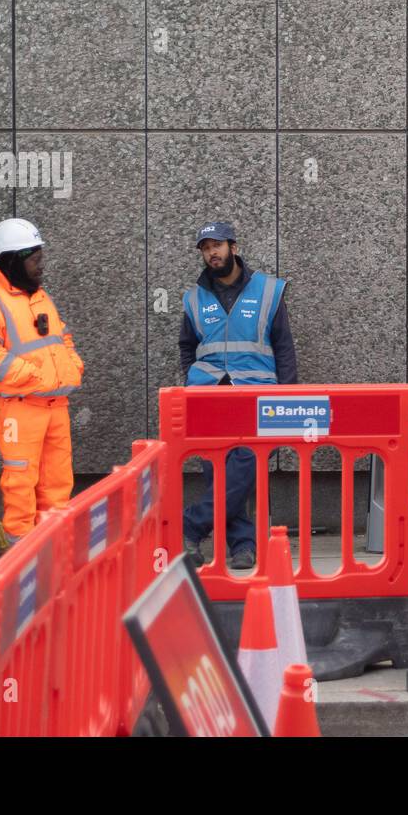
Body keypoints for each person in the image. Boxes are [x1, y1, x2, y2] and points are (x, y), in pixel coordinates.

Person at [179, 221, 297, 570]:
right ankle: (243, 545)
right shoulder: (194, 298)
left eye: (217, 245)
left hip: (257, 394)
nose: (211, 253)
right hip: (208, 395)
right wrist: (191, 380)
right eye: (205, 248)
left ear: (234, 246)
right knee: (217, 472)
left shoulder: (267, 291)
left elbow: (285, 348)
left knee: (246, 463)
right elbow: (187, 347)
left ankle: (192, 525)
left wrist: (287, 398)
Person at [0, 218, 83, 547]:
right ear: (12, 260)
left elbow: (63, 340)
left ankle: (54, 551)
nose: (40, 266)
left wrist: (73, 367)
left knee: (58, 484)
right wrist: (35, 376)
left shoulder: (40, 296)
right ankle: (21, 558)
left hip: (55, 407)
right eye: (34, 259)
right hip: (20, 410)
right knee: (21, 485)